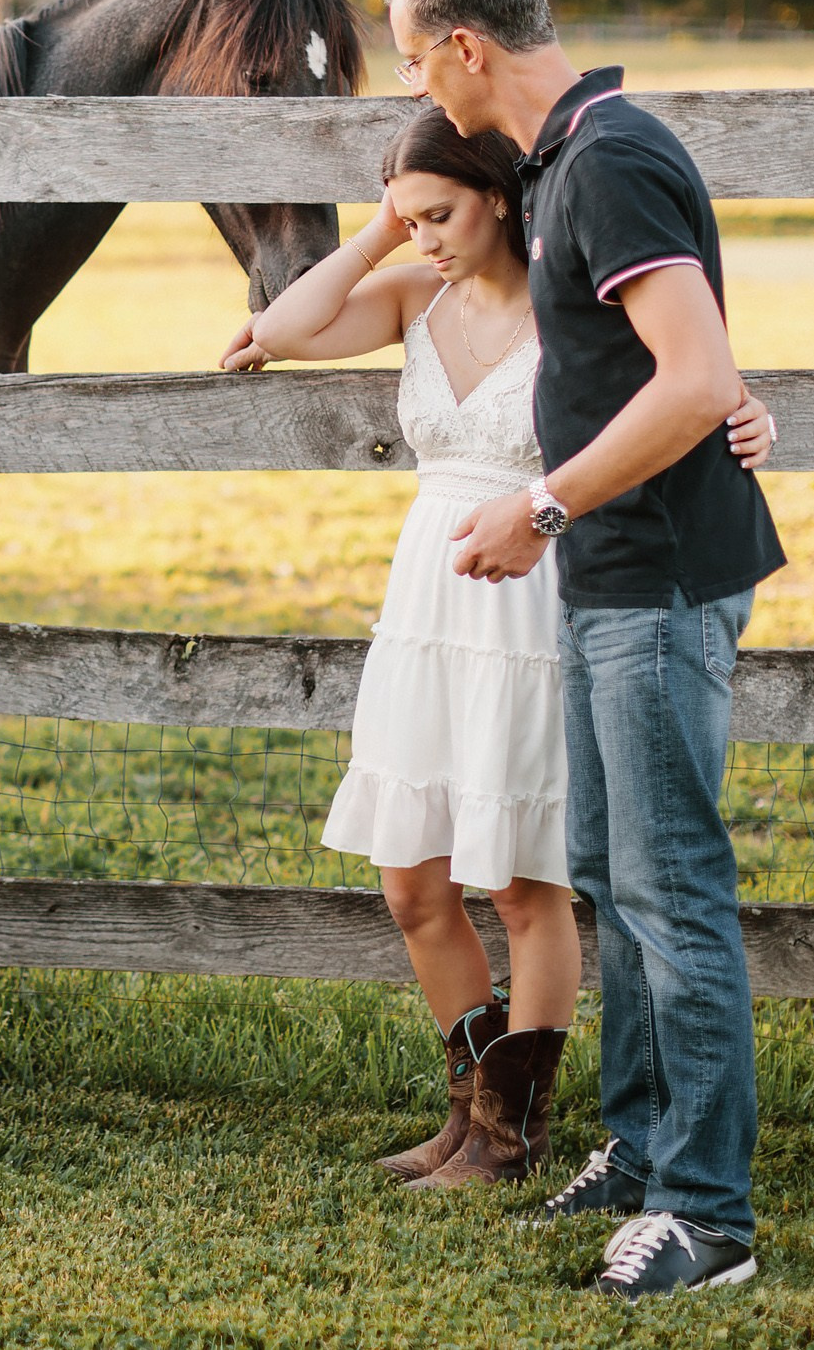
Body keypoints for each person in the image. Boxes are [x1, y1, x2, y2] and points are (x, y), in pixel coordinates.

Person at [224, 109, 773, 1199]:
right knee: (410, 880)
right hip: (427, 602)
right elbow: (274, 330)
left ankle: (506, 1138)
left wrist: (754, 413)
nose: (425, 235)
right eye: (408, 217)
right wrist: (382, 226)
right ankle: (466, 1111)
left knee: (526, 886)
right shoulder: (411, 298)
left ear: (501, 197)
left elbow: (693, 383)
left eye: (441, 213)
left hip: (531, 598)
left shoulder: (574, 307)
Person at [387, 0, 786, 1297]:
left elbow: (690, 375)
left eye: (413, 59)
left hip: (657, 577)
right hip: (611, 580)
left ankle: (707, 1213)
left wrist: (541, 506)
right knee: (617, 876)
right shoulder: (567, 161)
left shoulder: (605, 157)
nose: (422, 90)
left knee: (674, 892)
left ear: (465, 45)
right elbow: (675, 365)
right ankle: (635, 1148)